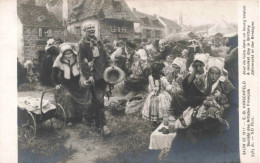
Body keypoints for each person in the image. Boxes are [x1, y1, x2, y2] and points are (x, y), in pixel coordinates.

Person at [78, 22, 111, 135]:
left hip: (102, 75)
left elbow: (105, 55)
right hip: (92, 77)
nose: (92, 30)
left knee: (96, 100)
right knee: (99, 101)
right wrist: (88, 76)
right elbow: (81, 62)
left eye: (93, 28)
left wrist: (111, 66)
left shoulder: (99, 41)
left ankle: (88, 118)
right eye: (89, 28)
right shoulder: (82, 44)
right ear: (84, 30)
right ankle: (103, 126)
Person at [51, 43, 92, 125]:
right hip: (65, 85)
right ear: (63, 54)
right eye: (66, 54)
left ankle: (85, 116)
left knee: (87, 93)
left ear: (73, 53)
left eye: (70, 53)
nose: (69, 55)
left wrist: (88, 77)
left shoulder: (77, 59)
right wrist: (56, 84)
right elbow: (53, 76)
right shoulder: (58, 61)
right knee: (68, 96)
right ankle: (70, 119)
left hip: (77, 85)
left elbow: (85, 69)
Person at [142, 62, 172, 127]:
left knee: (154, 108)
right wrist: (171, 87)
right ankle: (161, 121)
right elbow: (168, 87)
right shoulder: (162, 78)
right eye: (163, 68)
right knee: (162, 107)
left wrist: (153, 91)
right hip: (162, 95)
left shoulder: (150, 77)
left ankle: (155, 122)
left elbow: (150, 87)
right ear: (160, 70)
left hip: (153, 94)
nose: (164, 70)